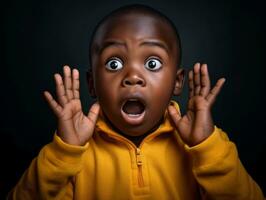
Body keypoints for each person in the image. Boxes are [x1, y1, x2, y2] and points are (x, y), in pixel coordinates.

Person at [8, 4, 264, 200]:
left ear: (177, 82)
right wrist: (63, 153)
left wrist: (206, 147)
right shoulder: (73, 153)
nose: (132, 77)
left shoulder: (201, 148)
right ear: (91, 84)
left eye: (152, 63)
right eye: (114, 63)